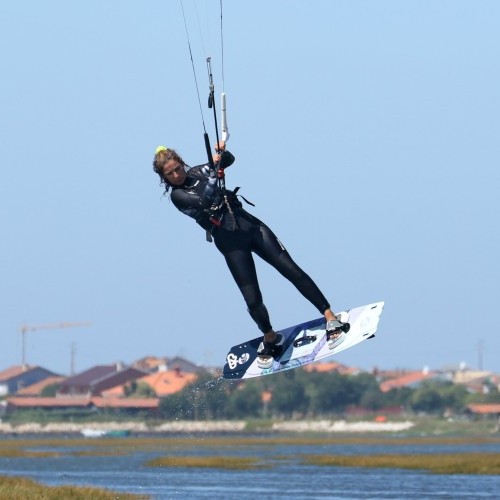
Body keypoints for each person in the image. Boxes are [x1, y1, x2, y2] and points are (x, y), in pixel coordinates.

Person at [152, 143, 348, 366]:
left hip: (251, 227)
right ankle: (270, 336)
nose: (177, 174)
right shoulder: (178, 196)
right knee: (252, 300)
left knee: (291, 270)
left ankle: (330, 317)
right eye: (170, 173)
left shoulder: (198, 171)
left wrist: (221, 156)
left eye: (178, 168)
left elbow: (229, 160)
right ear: (164, 178)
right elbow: (204, 201)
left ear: (182, 163)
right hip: (229, 242)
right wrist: (216, 177)